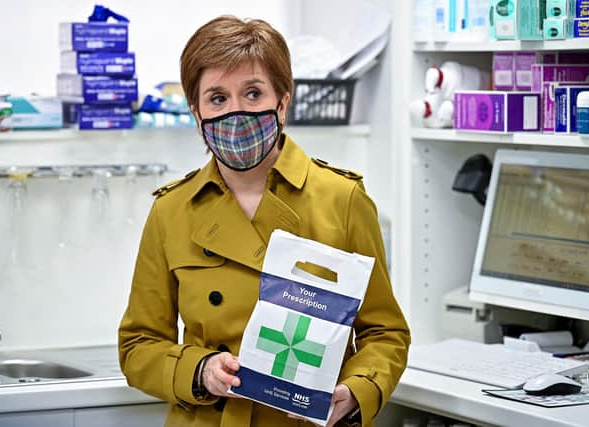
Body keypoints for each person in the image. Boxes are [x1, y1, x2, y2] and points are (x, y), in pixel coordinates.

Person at [118, 15, 410, 427]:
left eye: (253, 93)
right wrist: (199, 370)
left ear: (283, 103)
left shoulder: (342, 200)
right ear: (196, 112)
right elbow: (137, 346)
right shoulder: (171, 211)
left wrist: (355, 390)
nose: (236, 112)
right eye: (217, 98)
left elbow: (385, 333)